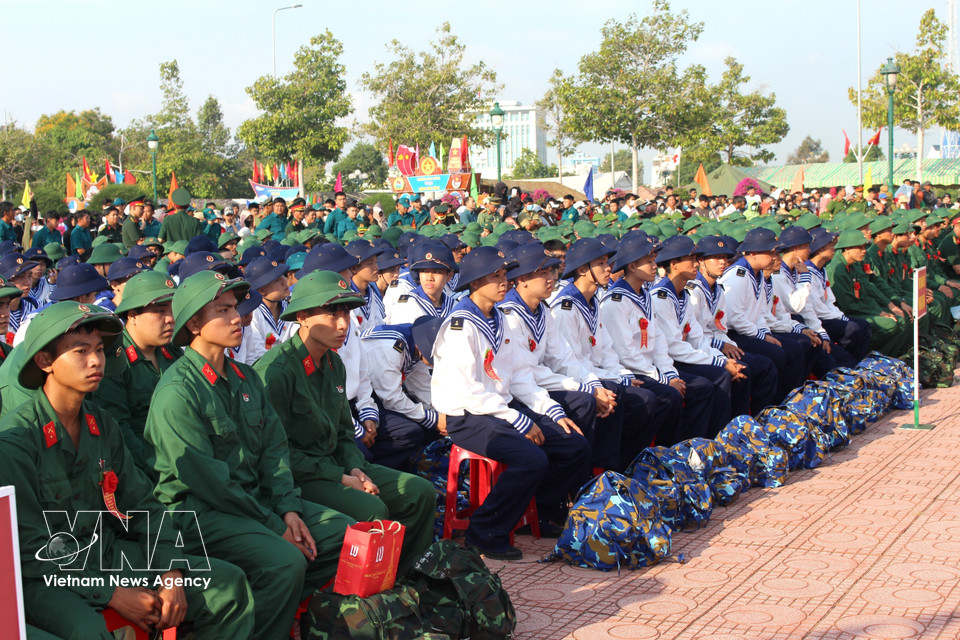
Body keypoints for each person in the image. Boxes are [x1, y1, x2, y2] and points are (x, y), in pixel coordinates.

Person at [0, 301, 253, 640]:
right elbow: (33, 550)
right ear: (45, 361)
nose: (96, 361)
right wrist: (112, 594)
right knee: (89, 632)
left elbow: (143, 506)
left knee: (226, 584)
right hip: (48, 577)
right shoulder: (18, 440)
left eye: (100, 350)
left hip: (107, 556)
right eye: (80, 351)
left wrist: (170, 568)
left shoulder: (102, 425)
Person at [145, 271, 352, 640]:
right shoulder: (177, 391)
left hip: (254, 503)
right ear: (194, 323)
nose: (237, 317)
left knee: (344, 534)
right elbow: (210, 483)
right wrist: (275, 525)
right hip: (199, 513)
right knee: (286, 560)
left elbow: (275, 453)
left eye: (236, 309)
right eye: (222, 310)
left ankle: (259, 613)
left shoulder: (245, 378)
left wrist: (288, 509)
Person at [255, 270, 435, 567]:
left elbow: (342, 434)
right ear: (302, 317)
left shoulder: (333, 362)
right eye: (331, 315)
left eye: (346, 314)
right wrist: (342, 478)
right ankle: (366, 590)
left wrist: (354, 467)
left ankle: (407, 575)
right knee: (372, 509)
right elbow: (276, 454)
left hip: (336, 465)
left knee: (420, 492)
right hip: (302, 475)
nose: (343, 325)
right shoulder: (276, 372)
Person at [432, 246, 590, 560]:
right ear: (475, 283)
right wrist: (519, 421)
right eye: (496, 276)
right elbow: (469, 391)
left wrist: (549, 410)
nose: (504, 282)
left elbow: (518, 375)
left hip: (498, 409)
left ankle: (543, 511)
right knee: (531, 458)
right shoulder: (461, 325)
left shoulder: (500, 318)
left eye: (505, 275)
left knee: (574, 444)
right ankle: (484, 531)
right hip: (467, 416)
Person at [549, 238, 671, 469]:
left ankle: (626, 464)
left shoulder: (592, 302)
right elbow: (571, 363)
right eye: (601, 263)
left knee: (645, 397)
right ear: (583, 270)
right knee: (634, 398)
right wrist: (609, 381)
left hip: (598, 373)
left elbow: (607, 351)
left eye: (607, 262)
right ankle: (608, 468)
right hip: (579, 378)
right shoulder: (567, 307)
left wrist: (621, 375)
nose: (609, 268)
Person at [601, 232, 719, 440]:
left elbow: (658, 342)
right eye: (648, 261)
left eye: (654, 260)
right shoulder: (616, 302)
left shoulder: (644, 295)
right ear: (632, 266)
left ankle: (692, 444)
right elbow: (625, 354)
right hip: (631, 371)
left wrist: (669, 374)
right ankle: (663, 450)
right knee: (668, 395)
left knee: (701, 386)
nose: (655, 265)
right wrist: (663, 378)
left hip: (650, 369)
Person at [93, 271, 180, 478]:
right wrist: (160, 468)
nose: (170, 319)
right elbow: (119, 430)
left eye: (172, 310)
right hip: (145, 471)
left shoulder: (172, 352)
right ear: (132, 315)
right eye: (160, 311)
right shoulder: (114, 361)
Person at [717, 227, 805, 402]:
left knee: (793, 348)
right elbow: (735, 319)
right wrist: (762, 336)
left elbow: (759, 313)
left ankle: (785, 398)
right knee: (775, 355)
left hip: (750, 330)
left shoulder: (756, 275)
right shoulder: (738, 276)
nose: (774, 257)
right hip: (735, 334)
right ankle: (768, 405)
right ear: (752, 254)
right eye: (769, 252)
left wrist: (765, 334)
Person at [827, 230, 911, 358]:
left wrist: (881, 311)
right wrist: (879, 313)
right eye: (860, 247)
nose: (864, 250)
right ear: (848, 248)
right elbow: (849, 305)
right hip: (846, 314)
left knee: (899, 321)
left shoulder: (853, 266)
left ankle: (891, 356)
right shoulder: (837, 270)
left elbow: (865, 295)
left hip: (860, 309)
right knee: (889, 325)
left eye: (865, 247)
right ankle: (866, 356)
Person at [238, 256, 295, 364]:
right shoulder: (253, 313)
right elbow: (257, 355)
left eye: (283, 275)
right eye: (277, 280)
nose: (284, 282)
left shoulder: (290, 304)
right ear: (261, 290)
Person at [385, 243, 456, 324]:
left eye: (436, 272)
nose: (429, 278)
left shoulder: (455, 306)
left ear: (449, 276)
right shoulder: (407, 306)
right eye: (424, 271)